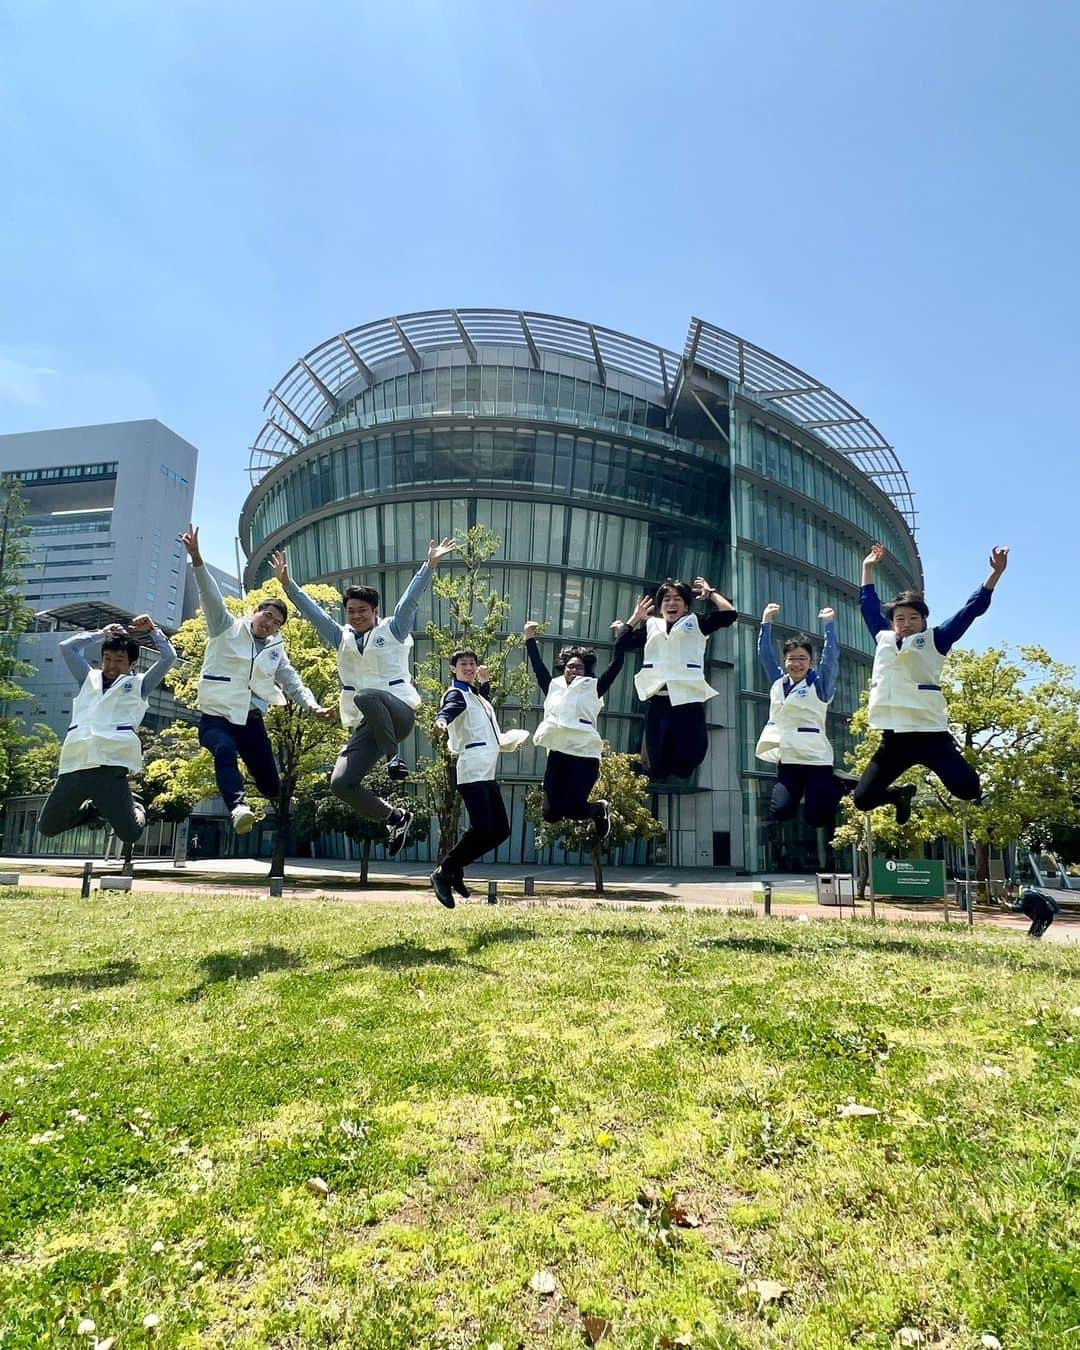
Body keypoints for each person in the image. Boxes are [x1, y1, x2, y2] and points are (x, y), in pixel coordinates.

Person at [271, 537, 455, 858]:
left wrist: (430, 565)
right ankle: (395, 817)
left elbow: (409, 600)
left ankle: (394, 760)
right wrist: (287, 584)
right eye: (351, 611)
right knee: (340, 783)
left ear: (375, 611)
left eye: (362, 611)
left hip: (398, 713)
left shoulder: (392, 630)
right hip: (367, 725)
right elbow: (312, 612)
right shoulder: (339, 638)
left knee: (368, 695)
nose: (356, 616)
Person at [180, 524, 334, 835]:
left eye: (276, 623)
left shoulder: (277, 649)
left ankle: (264, 798)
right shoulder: (225, 627)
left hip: (250, 721)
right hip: (216, 717)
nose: (270, 625)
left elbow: (292, 681)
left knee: (271, 787)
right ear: (255, 611)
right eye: (267, 617)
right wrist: (196, 557)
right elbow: (209, 596)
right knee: (223, 750)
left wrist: (312, 707)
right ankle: (237, 807)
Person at [853, 543, 1009, 823]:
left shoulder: (937, 639)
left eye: (914, 618)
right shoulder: (883, 638)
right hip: (894, 738)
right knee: (863, 800)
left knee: (968, 789)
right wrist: (867, 568)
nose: (907, 623)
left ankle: (967, 777)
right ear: (892, 623)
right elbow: (867, 605)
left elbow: (971, 610)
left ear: (924, 620)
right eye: (900, 618)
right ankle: (900, 794)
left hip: (930, 736)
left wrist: (994, 576)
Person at [37, 616, 176, 844]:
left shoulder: (140, 685)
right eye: (107, 659)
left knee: (130, 834)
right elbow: (67, 647)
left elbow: (169, 657)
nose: (111, 666)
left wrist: (152, 630)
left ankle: (136, 806)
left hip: (110, 768)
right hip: (76, 763)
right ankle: (92, 810)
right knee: (47, 827)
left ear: (132, 664)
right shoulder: (88, 678)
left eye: (119, 660)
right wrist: (102, 634)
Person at [428, 649, 529, 908]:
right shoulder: (457, 694)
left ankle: (455, 869)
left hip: (486, 771)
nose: (469, 667)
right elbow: (450, 709)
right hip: (472, 770)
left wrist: (485, 683)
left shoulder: (474, 696)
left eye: (472, 663)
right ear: (453, 669)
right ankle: (444, 871)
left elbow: (480, 711)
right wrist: (440, 722)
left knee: (501, 830)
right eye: (463, 664)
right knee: (483, 828)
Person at [618, 577, 737, 780]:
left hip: (687, 698)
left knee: (686, 761)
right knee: (655, 765)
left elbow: (729, 615)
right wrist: (635, 618)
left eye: (677, 599)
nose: (671, 603)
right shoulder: (651, 626)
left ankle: (686, 764)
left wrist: (711, 594)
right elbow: (622, 643)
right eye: (666, 599)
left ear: (686, 605)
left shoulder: (696, 622)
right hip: (658, 699)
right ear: (660, 606)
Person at [522, 624, 630, 843]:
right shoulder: (553, 686)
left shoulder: (594, 687)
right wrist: (529, 639)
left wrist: (622, 635)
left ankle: (598, 810)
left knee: (574, 810)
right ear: (564, 668)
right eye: (570, 667)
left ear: (586, 671)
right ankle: (588, 809)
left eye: (579, 668)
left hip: (584, 755)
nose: (573, 671)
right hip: (558, 754)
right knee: (550, 814)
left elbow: (616, 666)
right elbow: (538, 669)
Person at [755, 602, 843, 831]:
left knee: (816, 818)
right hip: (789, 757)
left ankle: (838, 784)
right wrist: (766, 622)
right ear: (785, 662)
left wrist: (829, 626)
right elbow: (765, 655)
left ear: (810, 662)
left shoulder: (820, 684)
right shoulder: (778, 682)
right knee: (781, 811)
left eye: (802, 658)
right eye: (791, 659)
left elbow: (831, 659)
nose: (796, 663)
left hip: (816, 758)